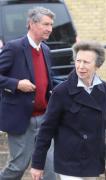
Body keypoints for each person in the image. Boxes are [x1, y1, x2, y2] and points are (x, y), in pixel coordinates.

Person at [30, 40, 106, 180]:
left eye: (86, 62)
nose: (80, 66)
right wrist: (37, 164)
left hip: (93, 160)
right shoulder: (61, 91)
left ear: (97, 65)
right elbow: (46, 130)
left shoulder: (105, 90)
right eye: (78, 61)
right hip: (68, 161)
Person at [0, 7, 57, 180]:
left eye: (51, 25)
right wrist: (16, 84)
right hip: (22, 119)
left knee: (50, 169)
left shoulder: (46, 50)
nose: (50, 29)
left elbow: (49, 82)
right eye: (46, 24)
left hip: (45, 118)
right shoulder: (14, 48)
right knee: (17, 167)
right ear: (32, 24)